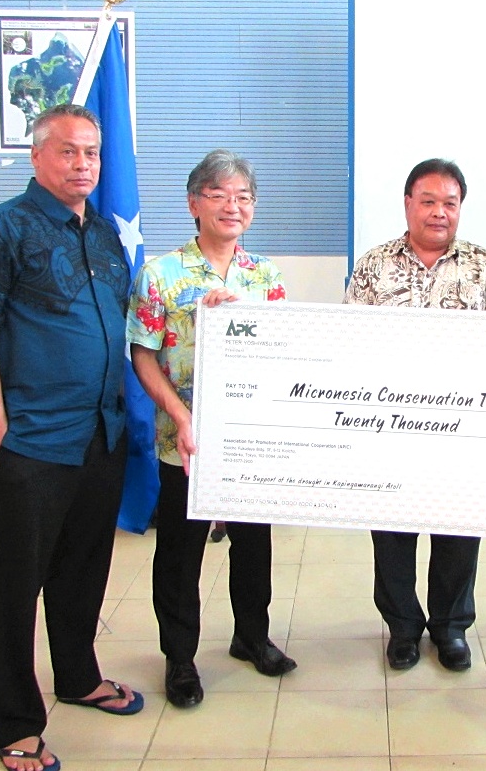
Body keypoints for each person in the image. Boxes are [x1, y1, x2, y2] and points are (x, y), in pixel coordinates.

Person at [0, 104, 143, 771]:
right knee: (17, 583)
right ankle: (12, 720)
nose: (83, 164)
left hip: (100, 432)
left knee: (83, 570)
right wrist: (1, 441)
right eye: (68, 152)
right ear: (37, 157)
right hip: (31, 442)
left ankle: (79, 676)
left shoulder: (106, 234)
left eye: (91, 152)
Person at [127, 149, 296, 710]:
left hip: (249, 439)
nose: (234, 205)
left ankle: (252, 637)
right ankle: (179, 658)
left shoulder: (265, 275)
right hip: (186, 441)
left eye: (244, 196)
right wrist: (180, 415)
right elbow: (143, 355)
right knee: (180, 553)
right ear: (193, 202)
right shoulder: (161, 274)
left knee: (254, 544)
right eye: (220, 194)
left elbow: (282, 351)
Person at [344, 158, 486, 671]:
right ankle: (402, 627)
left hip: (465, 428)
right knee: (392, 532)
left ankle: (450, 627)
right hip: (388, 425)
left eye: (450, 203)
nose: (439, 213)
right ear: (408, 204)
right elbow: (349, 343)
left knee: (459, 529)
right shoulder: (375, 265)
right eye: (428, 201)